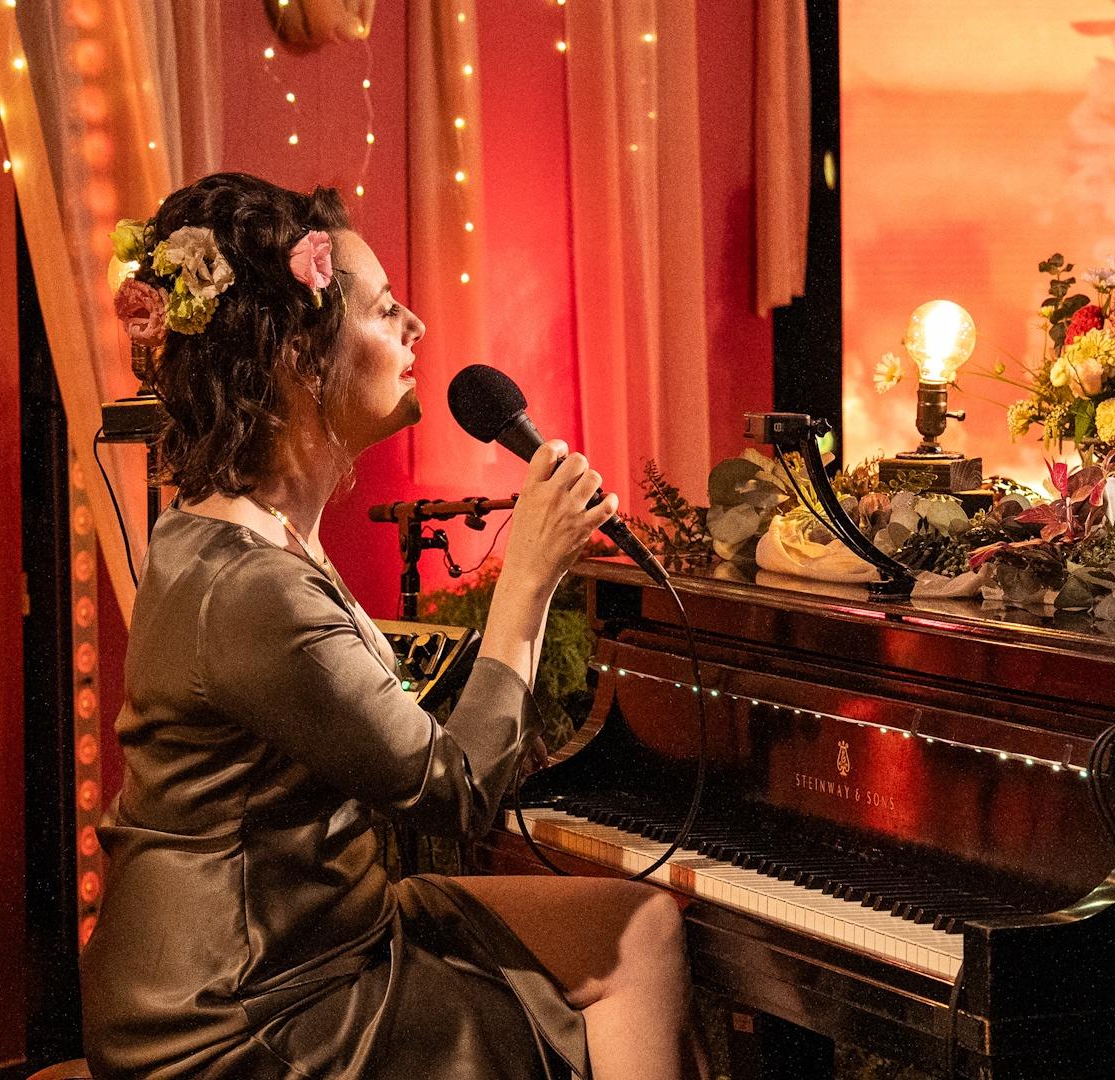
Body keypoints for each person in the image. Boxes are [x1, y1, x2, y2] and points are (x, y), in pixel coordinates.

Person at [81, 172, 696, 1080]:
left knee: (639, 926)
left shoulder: (246, 533)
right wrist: (525, 579)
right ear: (299, 358)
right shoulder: (253, 588)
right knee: (515, 1015)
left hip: (322, 931)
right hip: (239, 1010)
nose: (415, 329)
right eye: (384, 310)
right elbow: (456, 793)